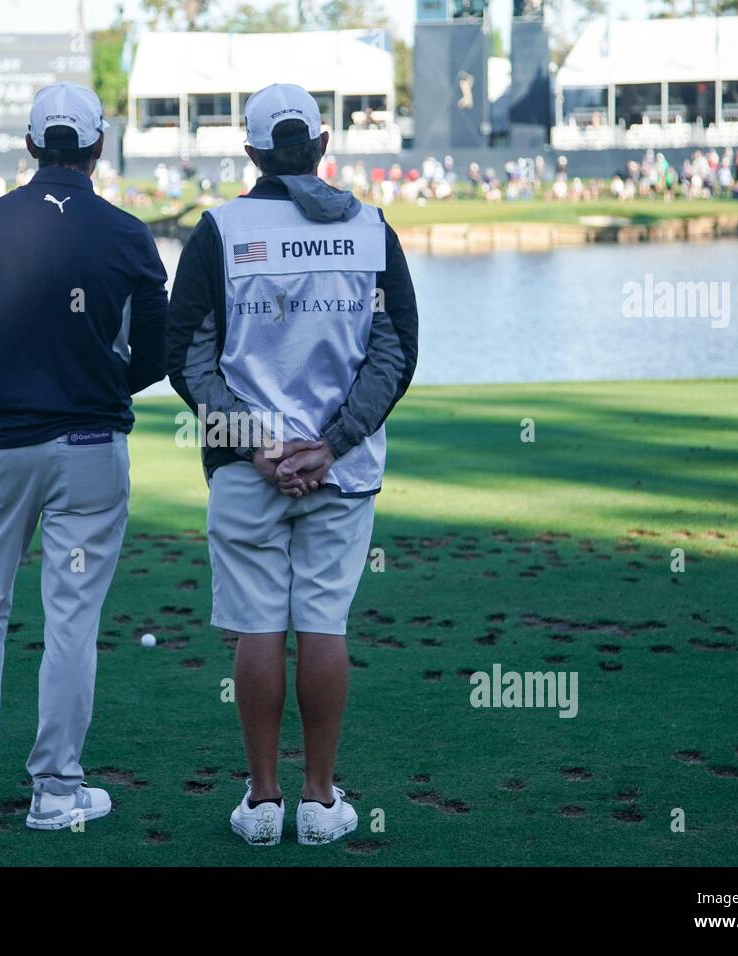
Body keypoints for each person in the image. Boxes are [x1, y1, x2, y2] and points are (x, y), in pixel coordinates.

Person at [165, 84, 418, 846]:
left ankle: (264, 801)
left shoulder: (218, 228)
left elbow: (185, 358)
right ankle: (319, 799)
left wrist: (257, 442)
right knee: (323, 625)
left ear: (251, 154)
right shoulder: (372, 228)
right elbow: (395, 351)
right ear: (322, 142)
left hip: (249, 470)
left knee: (257, 627)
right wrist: (332, 442)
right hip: (340, 470)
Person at [0, 82, 168, 830]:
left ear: (32, 145)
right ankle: (58, 791)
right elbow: (155, 355)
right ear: (98, 146)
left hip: (1, 445)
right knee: (70, 619)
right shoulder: (129, 234)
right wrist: (96, 382)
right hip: (92, 449)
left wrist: (13, 381)